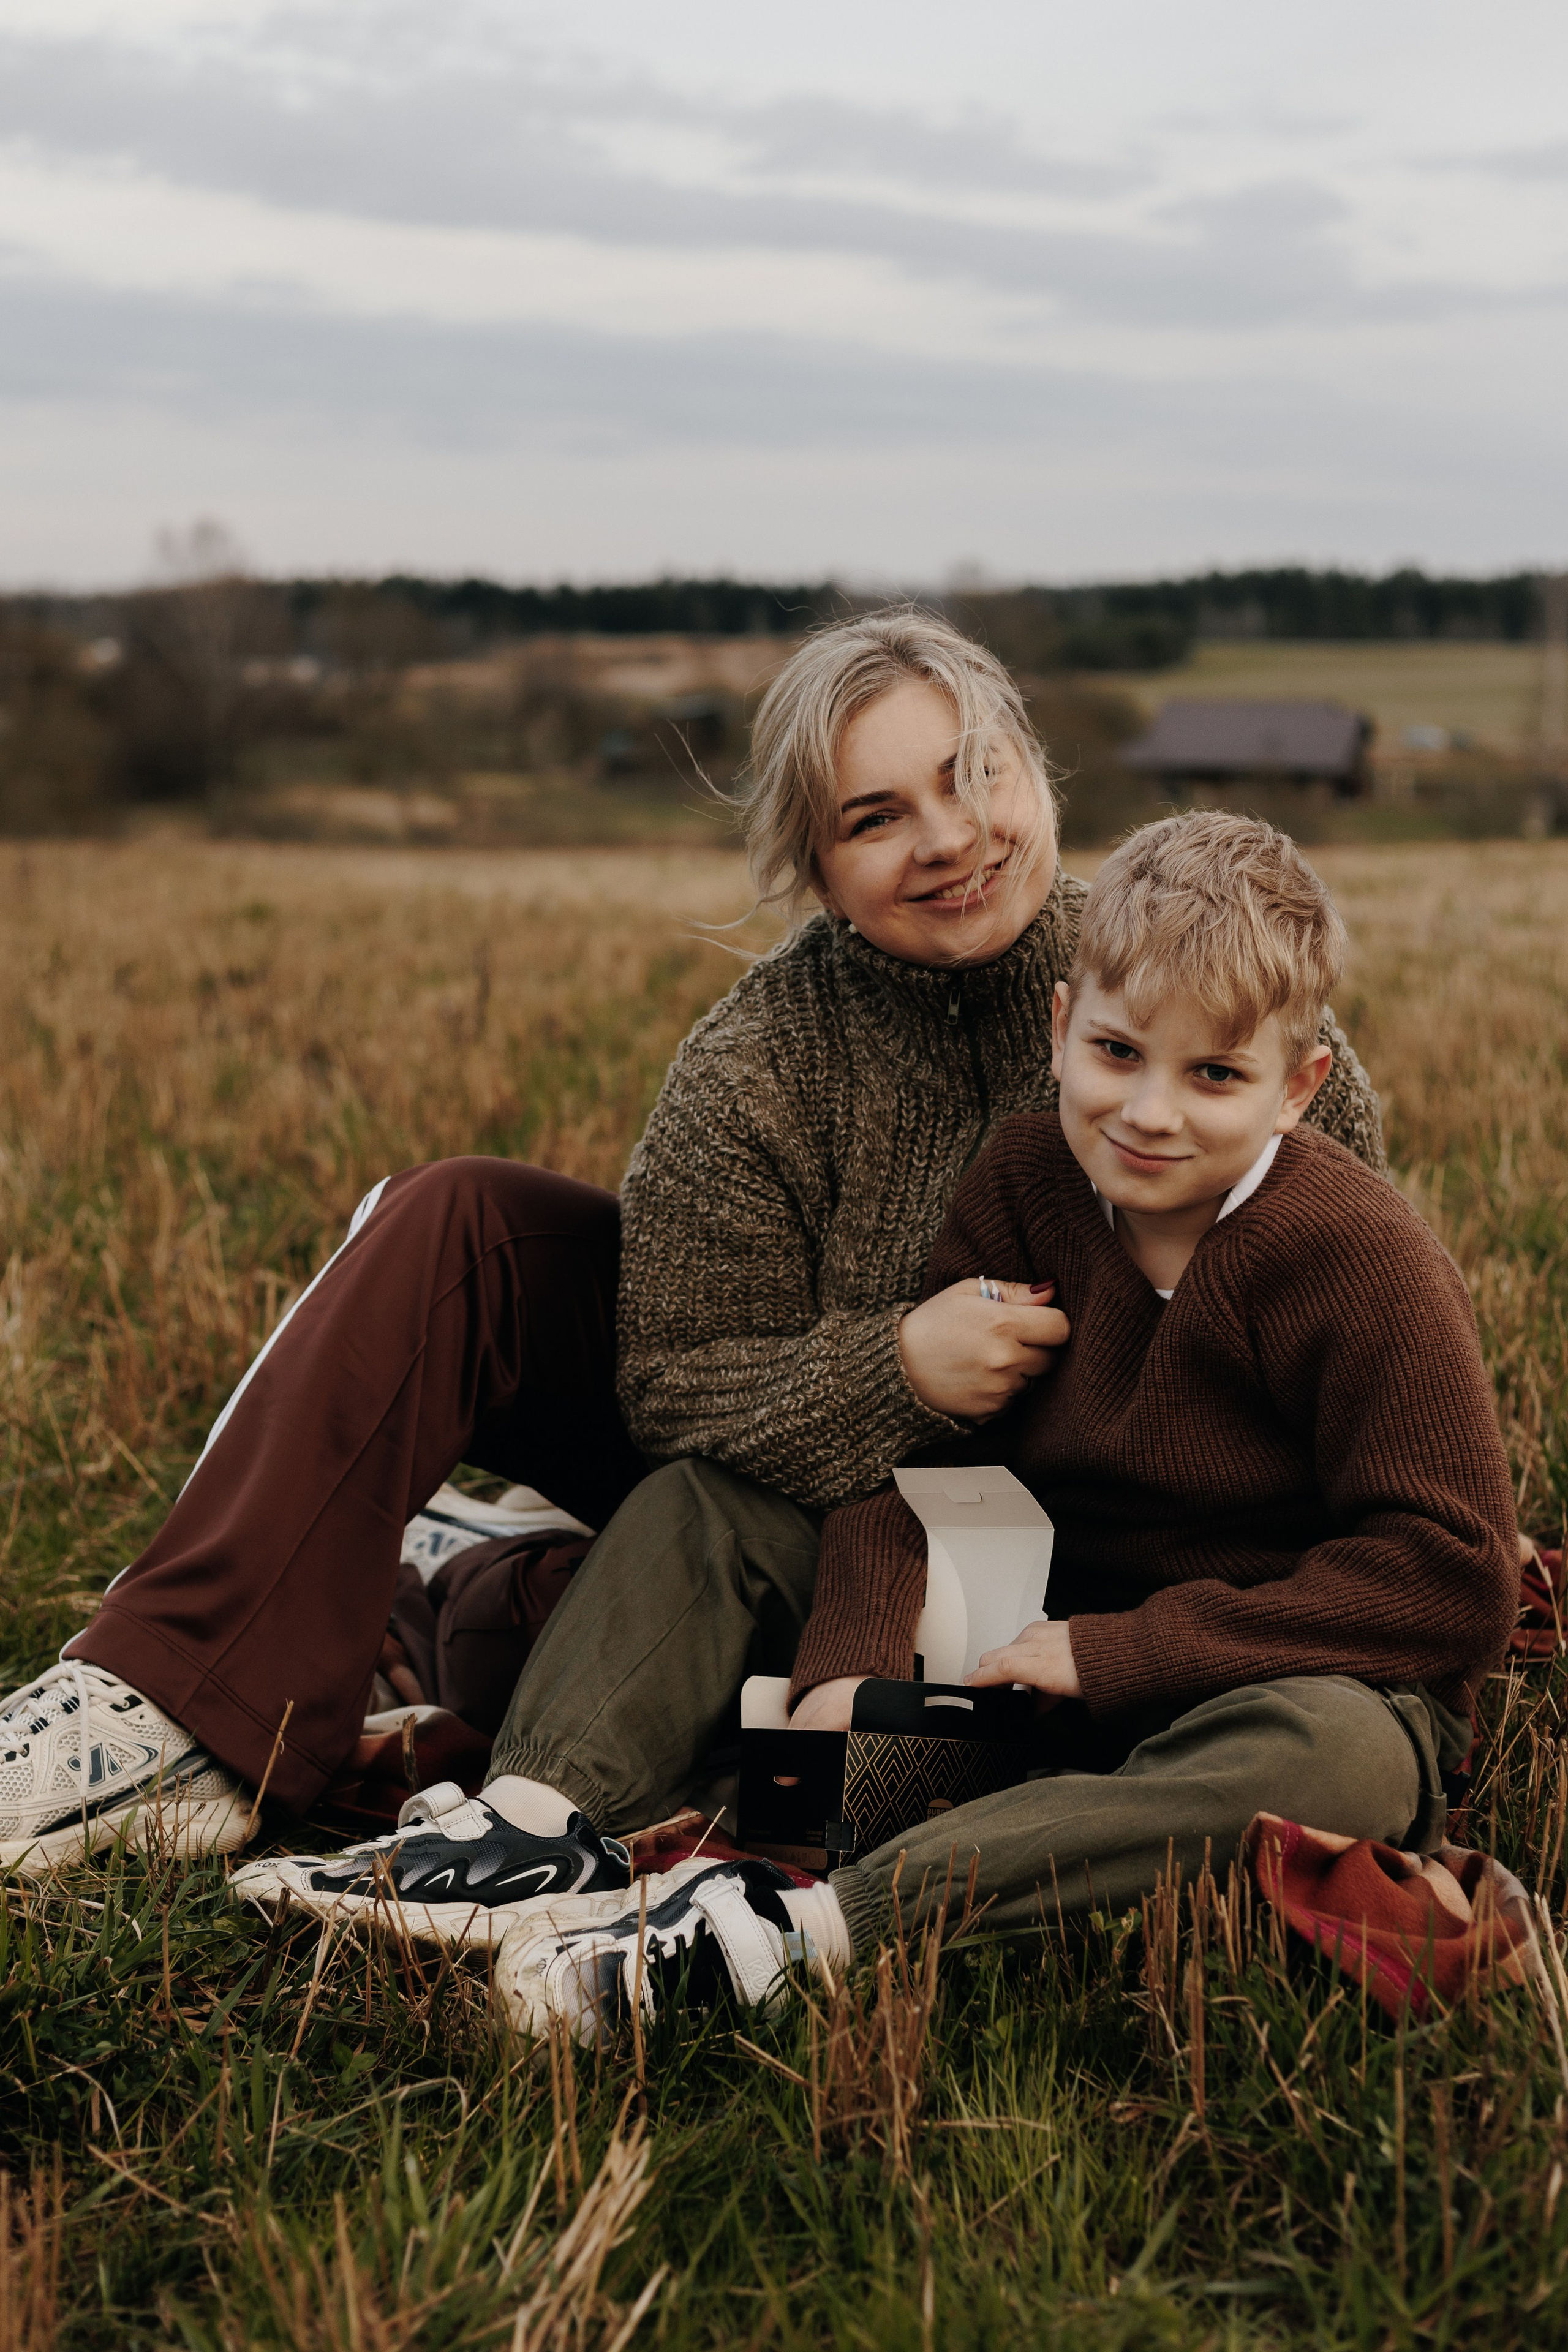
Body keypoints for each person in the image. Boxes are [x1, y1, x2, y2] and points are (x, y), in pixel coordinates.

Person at [0, 614, 1384, 1884]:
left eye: (976, 777)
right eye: (876, 816)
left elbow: (1347, 1331)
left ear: (1037, 770)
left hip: (1088, 1569)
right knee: (457, 1220)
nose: (949, 838)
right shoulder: (756, 1059)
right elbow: (669, 1391)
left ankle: (496, 1584)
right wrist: (898, 1366)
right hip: (800, 1512)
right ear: (817, 865)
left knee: (616, 1635)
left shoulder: (1198, 991)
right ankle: (172, 1710)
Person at [469, 811, 1517, 2045]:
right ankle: (529, 1826)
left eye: (1213, 1076)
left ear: (1298, 1086)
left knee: (1334, 1764)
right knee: (710, 1502)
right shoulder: (1024, 1185)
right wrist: (849, 1672)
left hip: (1267, 1667)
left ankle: (802, 1932)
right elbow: (927, 1465)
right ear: (1061, 1021)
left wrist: (1122, 1654)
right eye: (1116, 1052)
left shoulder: (1356, 1257)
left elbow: (1451, 1579)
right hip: (1013, 1638)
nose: (1148, 1112)